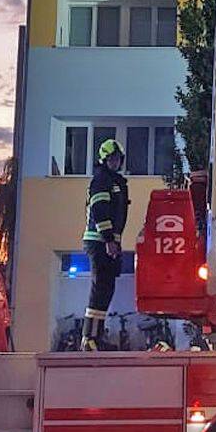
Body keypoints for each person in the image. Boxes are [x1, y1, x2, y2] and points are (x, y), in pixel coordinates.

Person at [80, 137, 129, 351]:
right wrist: (109, 240)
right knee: (100, 288)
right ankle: (89, 338)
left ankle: (96, 337)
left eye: (118, 159)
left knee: (106, 289)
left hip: (108, 242)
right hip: (99, 242)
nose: (115, 162)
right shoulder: (101, 180)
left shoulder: (113, 181)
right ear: (104, 160)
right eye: (111, 159)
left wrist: (114, 242)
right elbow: (100, 210)